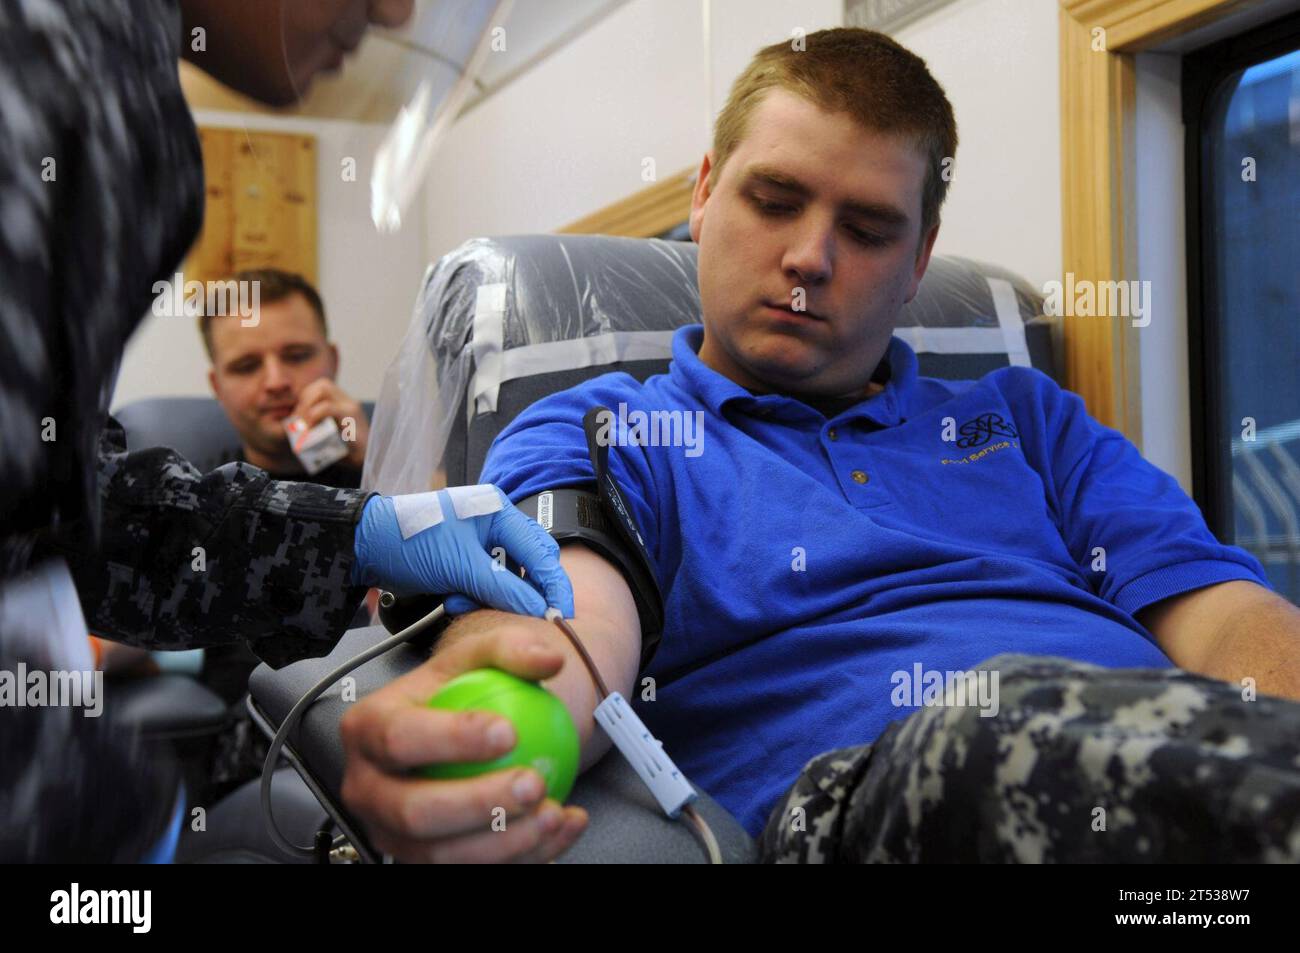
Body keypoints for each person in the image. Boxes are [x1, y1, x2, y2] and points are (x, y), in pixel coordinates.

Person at [337, 27, 1300, 863]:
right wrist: (489, 737)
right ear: (704, 197)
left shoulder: (1032, 421)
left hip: (1173, 818)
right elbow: (569, 623)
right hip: (889, 793)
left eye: (869, 228)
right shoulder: (612, 429)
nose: (809, 257)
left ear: (920, 258)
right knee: (991, 722)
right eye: (775, 198)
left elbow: (1222, 619)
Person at [0, 0, 574, 861]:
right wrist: (82, 811)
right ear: (212, 384)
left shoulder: (391, 444)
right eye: (245, 363)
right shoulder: (68, 70)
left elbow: (76, 508)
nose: (396, 9)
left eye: (296, 353)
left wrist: (364, 524)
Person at [202, 268, 369, 489]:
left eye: (297, 356)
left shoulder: (391, 478)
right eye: (247, 366)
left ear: (333, 361)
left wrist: (374, 463)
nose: (276, 382)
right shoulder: (192, 501)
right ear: (217, 386)